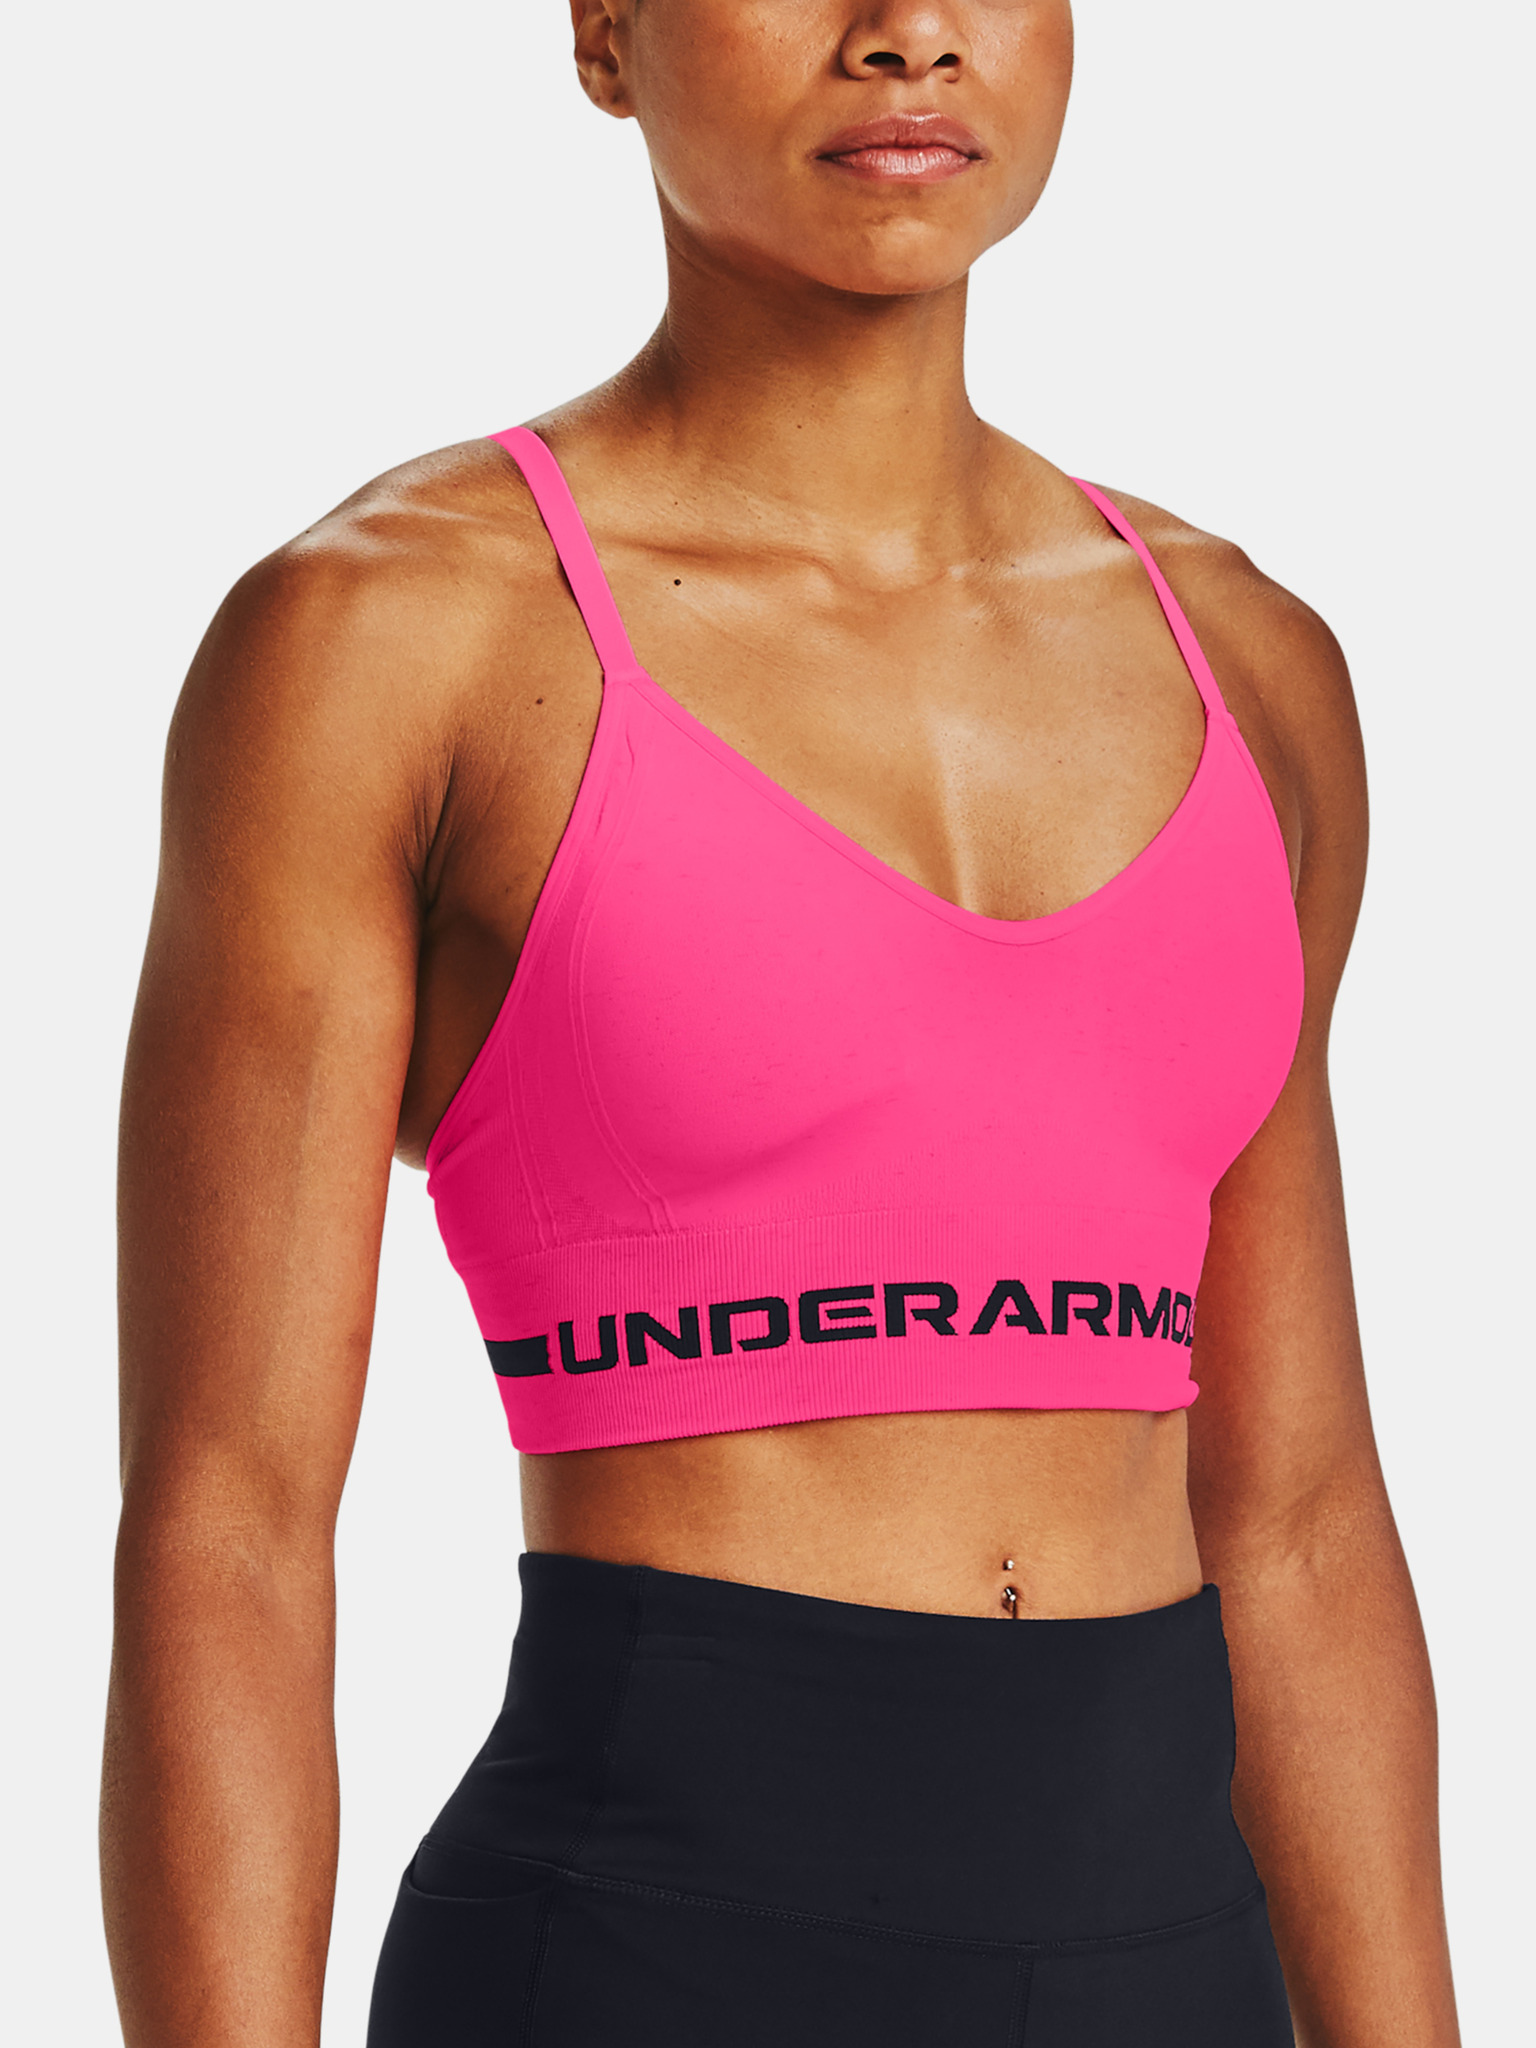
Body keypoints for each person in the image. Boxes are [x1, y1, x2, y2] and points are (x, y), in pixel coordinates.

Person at [102, 3, 1462, 2043]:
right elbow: (232, 1524)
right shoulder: (390, 639)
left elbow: (1300, 1517)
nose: (907, 34)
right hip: (650, 1958)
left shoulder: (1253, 669)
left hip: (1178, 1961)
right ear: (606, 35)